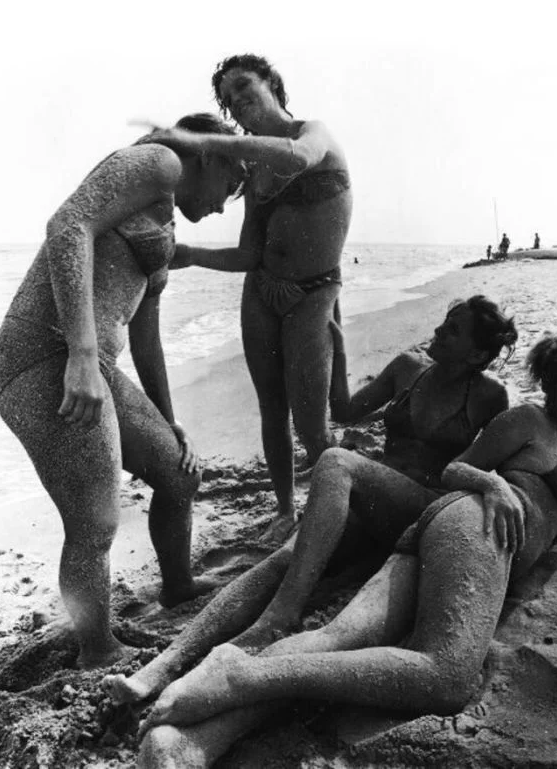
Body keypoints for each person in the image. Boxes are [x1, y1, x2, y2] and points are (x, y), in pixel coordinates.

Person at [135, 332, 557, 768]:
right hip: (474, 532)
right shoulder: (530, 419)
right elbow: (458, 469)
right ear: (552, 385)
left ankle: (189, 742)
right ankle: (240, 676)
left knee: (338, 640)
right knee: (446, 676)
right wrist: (495, 485)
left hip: (448, 536)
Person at [103, 295, 517, 702]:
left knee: (336, 461)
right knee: (282, 561)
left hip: (419, 512)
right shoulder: (409, 368)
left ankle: (282, 614)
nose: (439, 330)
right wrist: (338, 350)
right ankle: (165, 663)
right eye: (444, 321)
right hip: (374, 501)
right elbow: (344, 411)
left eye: (453, 330)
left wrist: (495, 487)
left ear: (477, 354)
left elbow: (492, 462)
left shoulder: (490, 397)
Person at [0, 113, 245, 669]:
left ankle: (178, 586)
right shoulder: (159, 161)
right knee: (95, 520)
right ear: (209, 154)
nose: (226, 205)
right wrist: (82, 357)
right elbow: (67, 226)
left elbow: (146, 338)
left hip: (92, 365)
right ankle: (97, 649)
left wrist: (170, 421)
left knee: (179, 472)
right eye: (233, 183)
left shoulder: (164, 223)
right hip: (41, 360)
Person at [144, 54, 353, 541]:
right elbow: (248, 254)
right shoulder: (256, 171)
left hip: (314, 292)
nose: (237, 101)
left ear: (273, 84)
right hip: (261, 291)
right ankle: (285, 509)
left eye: (243, 87)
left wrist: (201, 140)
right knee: (272, 410)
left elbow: (297, 158)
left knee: (311, 421)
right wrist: (188, 254)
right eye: (228, 99)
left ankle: (336, 506)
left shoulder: (312, 133)